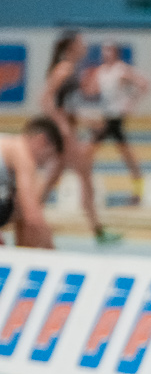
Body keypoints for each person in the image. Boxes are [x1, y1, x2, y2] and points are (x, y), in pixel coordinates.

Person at [40, 32, 114, 244]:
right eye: (81, 43)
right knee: (85, 174)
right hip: (65, 135)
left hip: (68, 131)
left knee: (53, 178)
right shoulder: (63, 69)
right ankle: (97, 229)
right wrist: (61, 126)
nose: (85, 46)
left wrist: (87, 120)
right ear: (72, 46)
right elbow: (45, 100)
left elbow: (67, 107)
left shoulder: (71, 69)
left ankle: (31, 215)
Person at [90, 47, 150, 201]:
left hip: (115, 118)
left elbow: (144, 84)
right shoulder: (101, 71)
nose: (105, 53)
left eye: (109, 50)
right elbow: (93, 92)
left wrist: (130, 102)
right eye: (104, 50)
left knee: (125, 155)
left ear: (115, 53)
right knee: (123, 154)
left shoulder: (121, 70)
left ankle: (138, 191)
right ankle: (137, 191)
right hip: (105, 117)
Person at [0, 118, 64, 248]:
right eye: (48, 156)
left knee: (18, 207)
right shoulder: (21, 151)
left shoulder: (9, 145)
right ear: (42, 140)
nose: (43, 163)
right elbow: (32, 216)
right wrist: (55, 258)